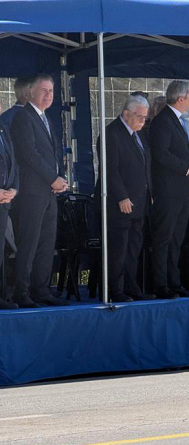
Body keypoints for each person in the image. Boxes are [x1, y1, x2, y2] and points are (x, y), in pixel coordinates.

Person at [10, 73, 69, 308]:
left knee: (46, 242)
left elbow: (51, 154)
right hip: (32, 192)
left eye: (52, 91)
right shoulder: (23, 118)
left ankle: (41, 289)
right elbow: (29, 154)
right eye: (44, 90)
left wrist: (59, 178)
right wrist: (52, 178)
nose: (48, 95)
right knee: (29, 242)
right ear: (31, 92)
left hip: (48, 192)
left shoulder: (46, 118)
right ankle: (21, 292)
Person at [149, 80, 189, 298]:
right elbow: (161, 154)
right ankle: (160, 284)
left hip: (182, 191)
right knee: (163, 238)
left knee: (176, 239)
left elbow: (183, 152)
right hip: (167, 191)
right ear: (180, 98)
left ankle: (175, 281)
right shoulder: (163, 121)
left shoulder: (182, 121)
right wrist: (187, 168)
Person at [99, 95, 154, 303]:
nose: (142, 121)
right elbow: (110, 170)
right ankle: (116, 289)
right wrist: (122, 196)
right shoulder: (112, 134)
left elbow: (144, 166)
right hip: (119, 204)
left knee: (133, 248)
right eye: (139, 117)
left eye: (144, 118)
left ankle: (132, 286)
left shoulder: (139, 135)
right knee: (118, 249)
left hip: (139, 202)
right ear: (126, 114)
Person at [0, 97, 19, 309]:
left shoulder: (4, 130)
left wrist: (14, 189)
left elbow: (15, 166)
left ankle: (3, 295)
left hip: (4, 203)